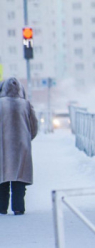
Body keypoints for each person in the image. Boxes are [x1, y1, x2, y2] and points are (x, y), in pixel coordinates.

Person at [0, 78, 38, 215]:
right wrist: (26, 138)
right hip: (22, 147)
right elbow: (34, 127)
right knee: (20, 178)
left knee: (2, 179)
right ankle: (18, 208)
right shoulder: (26, 104)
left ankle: (2, 207)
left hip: (1, 147)